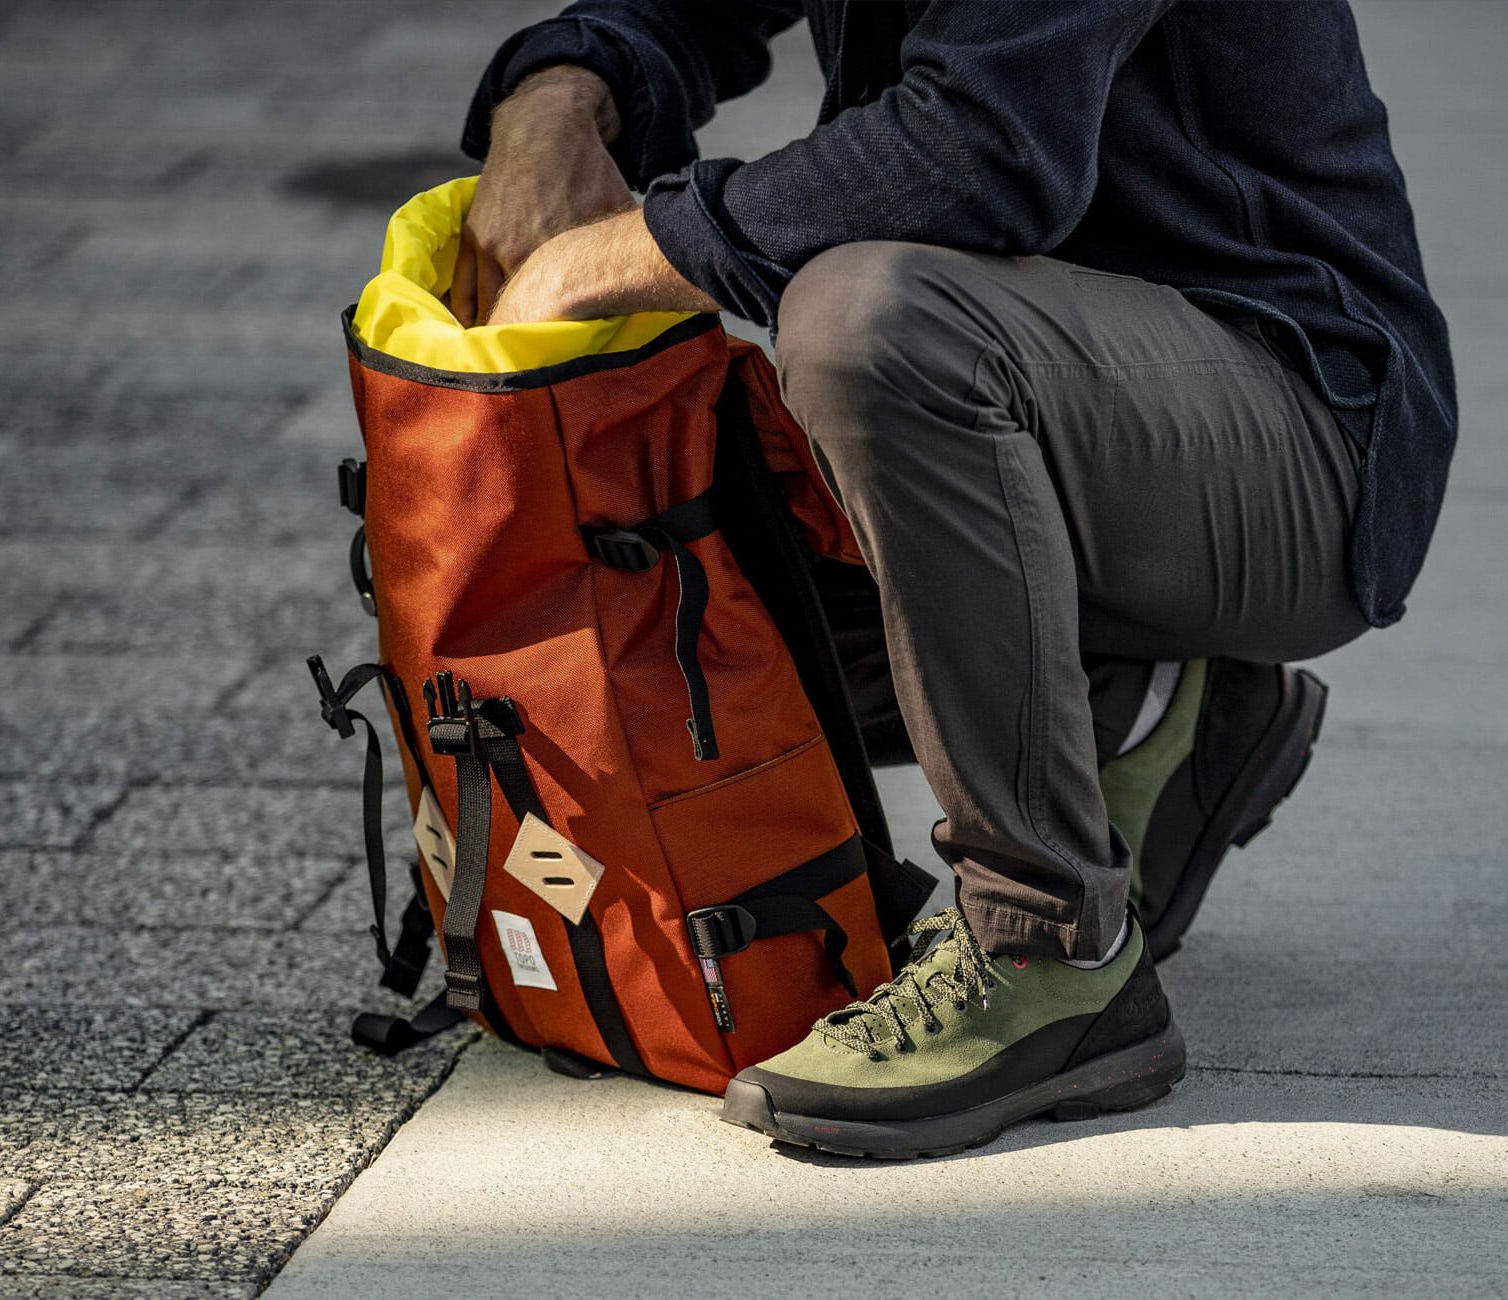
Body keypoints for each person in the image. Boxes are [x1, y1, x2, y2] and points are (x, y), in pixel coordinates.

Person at [452, 0, 1456, 1157]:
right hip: (1058, 400)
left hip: (1295, 423)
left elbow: (978, 151)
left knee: (865, 324)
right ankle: (1150, 703)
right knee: (687, 546)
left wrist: (613, 255)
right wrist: (560, 92)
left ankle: (1045, 945)